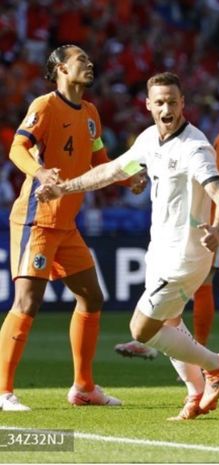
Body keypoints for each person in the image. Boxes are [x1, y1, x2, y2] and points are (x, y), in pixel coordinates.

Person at [35, 72, 219, 421]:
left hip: (185, 256)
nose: (167, 108)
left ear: (183, 103)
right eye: (160, 102)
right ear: (148, 105)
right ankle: (195, 391)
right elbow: (111, 171)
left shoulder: (195, 147)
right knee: (170, 321)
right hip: (160, 249)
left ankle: (216, 366)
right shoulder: (148, 141)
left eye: (173, 101)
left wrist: (217, 228)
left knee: (141, 329)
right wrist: (63, 187)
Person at [0, 44, 146, 411]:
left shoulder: (92, 113)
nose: (89, 63)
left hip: (67, 226)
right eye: (81, 59)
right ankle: (3, 391)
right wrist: (39, 171)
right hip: (37, 219)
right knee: (27, 302)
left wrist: (128, 179)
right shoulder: (44, 106)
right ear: (61, 69)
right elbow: (17, 148)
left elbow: (100, 161)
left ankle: (83, 387)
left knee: (92, 297)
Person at [114, 66, 219, 358]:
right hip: (194, 207)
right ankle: (158, 342)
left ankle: (198, 350)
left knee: (204, 280)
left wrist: (216, 189)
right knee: (168, 280)